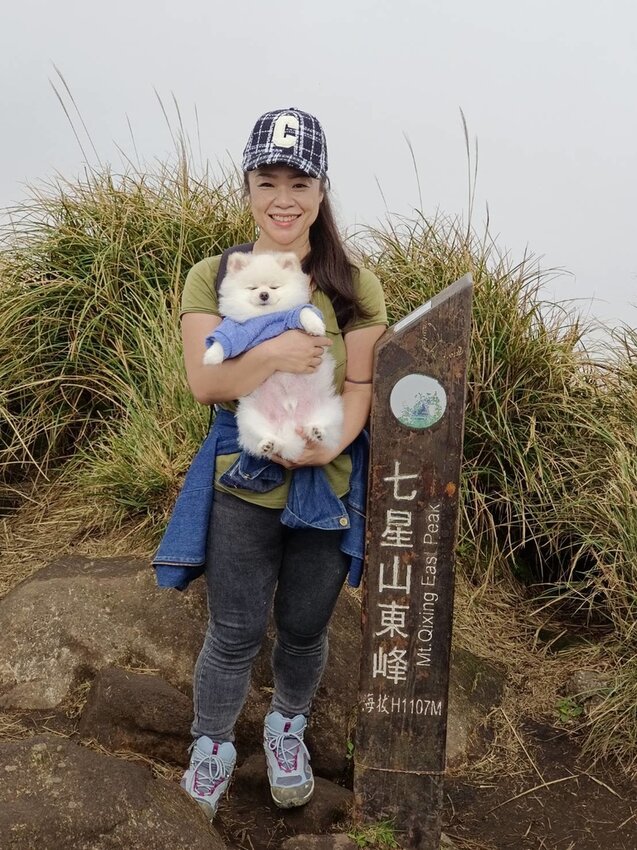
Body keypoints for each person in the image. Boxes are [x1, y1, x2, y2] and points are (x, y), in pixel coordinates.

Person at [154, 107, 387, 819]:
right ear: (248, 186)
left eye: (298, 181)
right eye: (267, 180)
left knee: (307, 627)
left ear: (321, 191)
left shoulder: (355, 284)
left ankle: (287, 729)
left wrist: (337, 443)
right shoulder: (213, 274)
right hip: (241, 483)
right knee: (231, 630)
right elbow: (206, 383)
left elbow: (361, 388)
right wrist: (274, 354)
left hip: (328, 484)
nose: (282, 198)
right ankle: (213, 746)